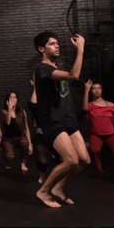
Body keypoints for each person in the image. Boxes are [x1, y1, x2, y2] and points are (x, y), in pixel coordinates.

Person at [33, 31, 90, 208]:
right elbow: (74, 76)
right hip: (53, 121)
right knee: (71, 160)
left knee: (84, 161)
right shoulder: (42, 69)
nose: (57, 46)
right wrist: (80, 49)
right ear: (42, 49)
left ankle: (59, 188)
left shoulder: (57, 68)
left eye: (57, 43)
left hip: (68, 120)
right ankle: (43, 191)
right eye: (52, 44)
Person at [83, 80, 114, 174]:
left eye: (99, 88)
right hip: (96, 134)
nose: (97, 90)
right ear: (91, 91)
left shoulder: (111, 105)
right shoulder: (90, 105)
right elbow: (85, 109)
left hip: (110, 134)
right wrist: (86, 90)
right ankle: (99, 168)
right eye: (94, 88)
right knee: (95, 150)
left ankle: (110, 167)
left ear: (102, 90)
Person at [28, 77, 55, 184]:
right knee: (43, 161)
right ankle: (42, 174)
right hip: (41, 135)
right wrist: (35, 86)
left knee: (63, 159)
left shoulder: (53, 101)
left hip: (55, 134)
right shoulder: (38, 105)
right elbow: (33, 105)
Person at [0, 91, 33, 172]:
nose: (12, 99)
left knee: (25, 142)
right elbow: (8, 123)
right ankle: (6, 156)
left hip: (18, 137)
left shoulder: (22, 112)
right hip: (8, 139)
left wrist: (30, 144)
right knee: (9, 157)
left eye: (14, 97)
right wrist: (10, 108)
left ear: (17, 99)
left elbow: (26, 128)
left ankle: (23, 163)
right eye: (10, 97)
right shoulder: (4, 112)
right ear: (7, 100)